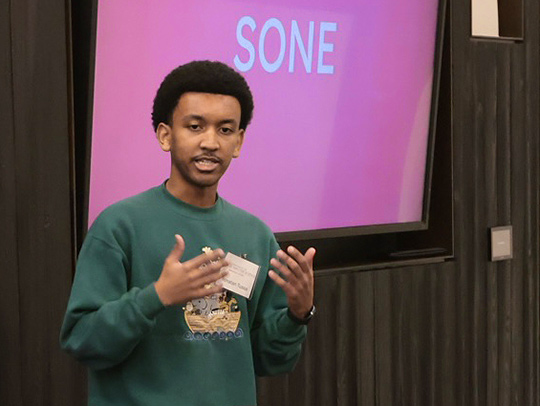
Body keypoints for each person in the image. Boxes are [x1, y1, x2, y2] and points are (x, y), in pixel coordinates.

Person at [60, 60, 316, 406]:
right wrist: (158, 296)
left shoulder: (255, 235)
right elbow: (82, 341)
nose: (211, 142)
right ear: (166, 135)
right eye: (195, 127)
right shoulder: (118, 226)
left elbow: (271, 361)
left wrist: (297, 315)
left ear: (239, 142)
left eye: (225, 130)